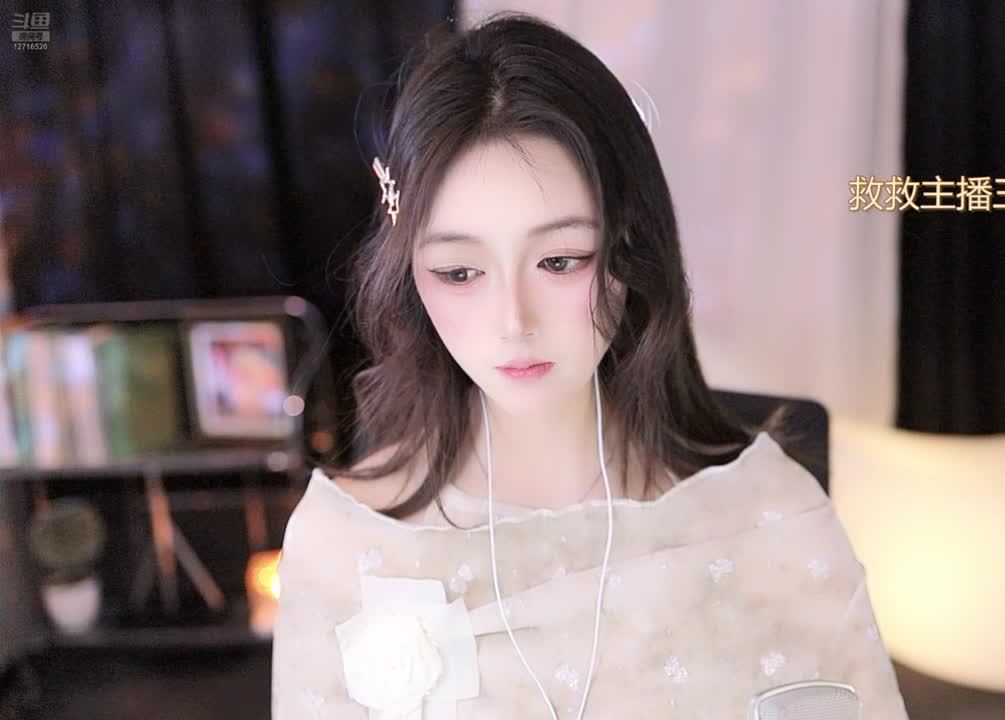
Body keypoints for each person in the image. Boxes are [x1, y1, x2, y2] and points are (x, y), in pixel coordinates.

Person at [272, 11, 909, 720]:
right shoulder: (344, 544)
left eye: (559, 260)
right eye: (459, 272)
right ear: (411, 277)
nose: (514, 322)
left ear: (629, 251)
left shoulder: (767, 516)